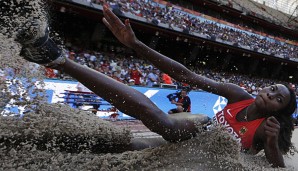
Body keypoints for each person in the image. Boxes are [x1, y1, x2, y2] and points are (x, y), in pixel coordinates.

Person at [16, 5, 297, 168]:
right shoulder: (239, 95)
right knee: (164, 126)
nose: (271, 93)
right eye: (273, 88)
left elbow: (276, 165)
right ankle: (57, 59)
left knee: (135, 145)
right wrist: (136, 45)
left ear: (280, 111)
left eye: (279, 98)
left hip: (209, 156)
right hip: (198, 129)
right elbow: (187, 75)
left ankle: (60, 61)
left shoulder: (268, 128)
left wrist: (271, 142)